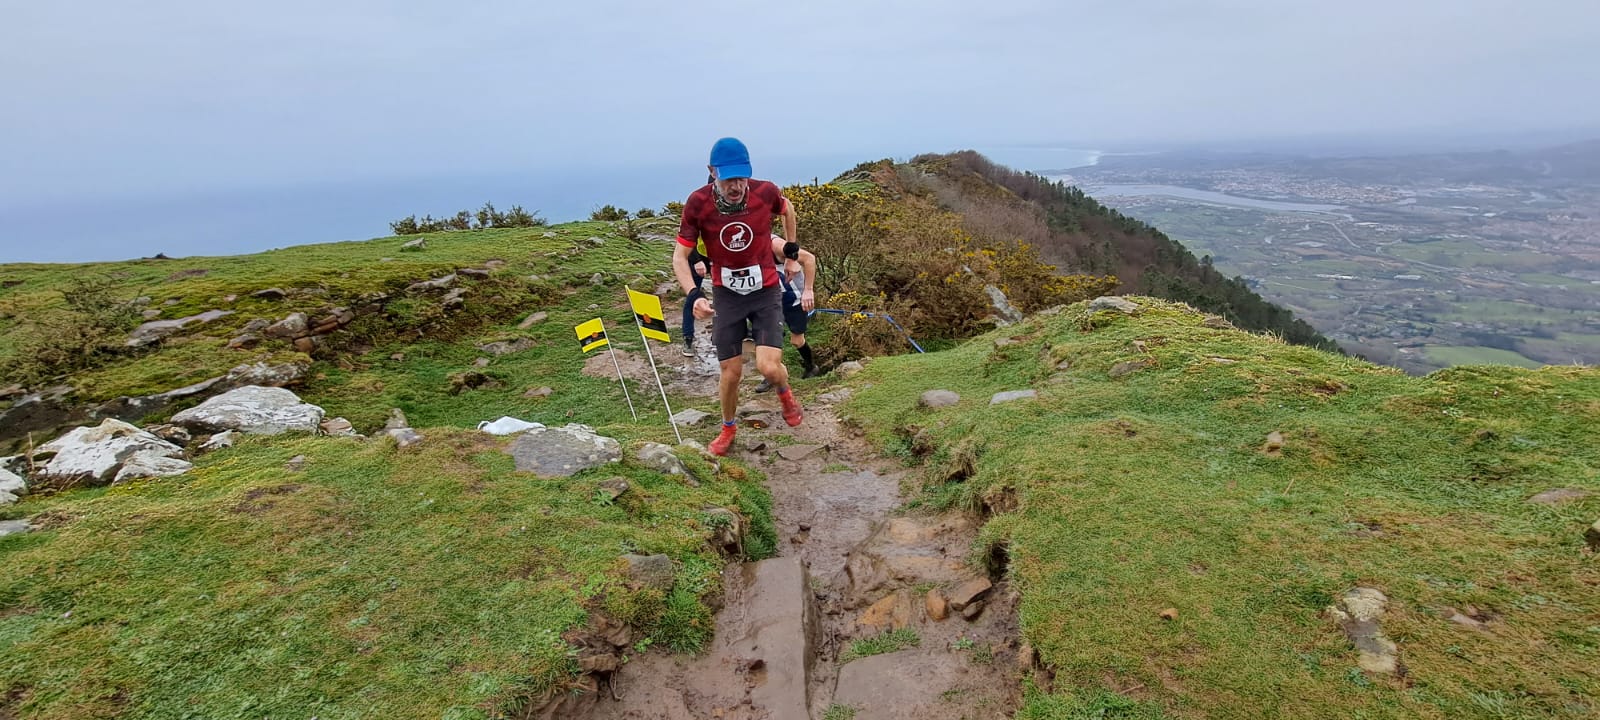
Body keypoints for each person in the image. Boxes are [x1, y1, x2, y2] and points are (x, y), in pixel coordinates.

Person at [672, 137, 804, 456]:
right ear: (712, 172)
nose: (736, 185)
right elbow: (680, 257)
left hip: (765, 290)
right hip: (727, 294)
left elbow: (788, 209)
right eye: (729, 178)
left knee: (769, 368)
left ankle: (785, 392)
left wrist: (791, 253)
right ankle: (728, 428)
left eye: (741, 177)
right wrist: (694, 296)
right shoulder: (697, 203)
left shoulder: (765, 192)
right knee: (731, 372)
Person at [755, 234, 818, 391]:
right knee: (770, 339)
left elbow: (809, 259)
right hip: (769, 301)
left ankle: (811, 366)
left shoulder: (774, 245)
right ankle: (771, 375)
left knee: (797, 340)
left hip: (794, 299)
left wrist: (808, 290)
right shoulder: (740, 249)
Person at [679, 244, 709, 356]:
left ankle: (743, 330)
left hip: (722, 258)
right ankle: (688, 337)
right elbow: (686, 238)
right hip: (697, 258)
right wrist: (696, 260)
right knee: (692, 297)